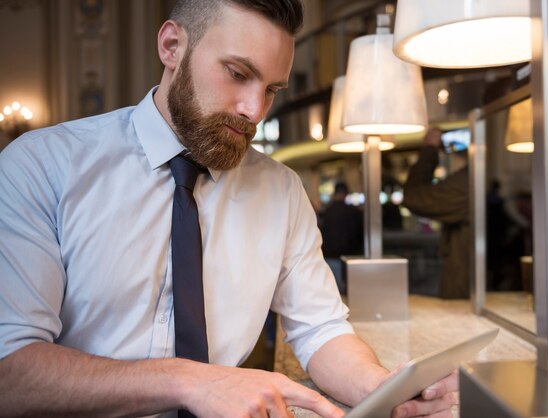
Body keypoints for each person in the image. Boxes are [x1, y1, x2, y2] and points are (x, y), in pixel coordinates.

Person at [0, 1, 458, 417]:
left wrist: (385, 391)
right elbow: (10, 368)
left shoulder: (282, 191)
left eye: (272, 89)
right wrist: (190, 381)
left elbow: (321, 331)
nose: (255, 109)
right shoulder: (43, 165)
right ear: (172, 46)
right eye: (238, 74)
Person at [403, 128, 470, 299]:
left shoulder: (469, 182)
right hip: (479, 287)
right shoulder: (478, 179)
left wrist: (429, 150)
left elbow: (414, 197)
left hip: (465, 289)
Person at [320, 181, 363, 293]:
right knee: (350, 289)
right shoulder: (354, 212)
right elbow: (359, 233)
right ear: (346, 193)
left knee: (333, 289)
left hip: (330, 255)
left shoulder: (326, 211)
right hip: (350, 256)